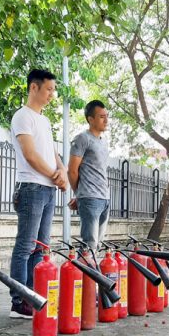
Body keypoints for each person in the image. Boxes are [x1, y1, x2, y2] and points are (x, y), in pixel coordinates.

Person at [9, 69, 69, 319]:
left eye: (53, 90)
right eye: (48, 90)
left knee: (40, 247)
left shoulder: (43, 120)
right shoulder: (23, 117)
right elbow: (30, 155)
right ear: (33, 88)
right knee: (25, 246)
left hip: (47, 188)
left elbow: (51, 152)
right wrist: (55, 176)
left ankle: (33, 295)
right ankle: (18, 301)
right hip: (31, 187)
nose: (52, 95)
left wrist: (62, 170)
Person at [68, 100, 110, 252]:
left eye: (107, 116)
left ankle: (92, 276)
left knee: (97, 246)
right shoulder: (82, 139)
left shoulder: (104, 143)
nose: (106, 120)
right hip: (90, 199)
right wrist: (79, 195)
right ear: (90, 119)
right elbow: (72, 170)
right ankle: (82, 276)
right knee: (89, 245)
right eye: (101, 117)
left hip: (104, 199)